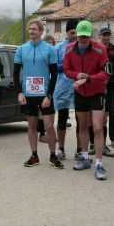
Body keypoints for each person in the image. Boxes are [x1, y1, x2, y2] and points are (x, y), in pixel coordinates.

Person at [64, 20, 110, 180]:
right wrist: (76, 75)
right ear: (76, 35)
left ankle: (99, 163)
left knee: (97, 127)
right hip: (80, 92)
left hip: (97, 92)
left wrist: (89, 78)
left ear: (90, 36)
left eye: (86, 36)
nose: (83, 40)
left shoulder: (100, 49)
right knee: (82, 126)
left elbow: (107, 73)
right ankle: (84, 157)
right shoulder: (69, 49)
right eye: (80, 36)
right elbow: (66, 69)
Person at [14, 21, 63, 169]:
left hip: (44, 94)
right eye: (29, 29)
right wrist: (19, 92)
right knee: (31, 126)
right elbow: (16, 73)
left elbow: (54, 74)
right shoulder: (21, 49)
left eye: (34, 29)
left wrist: (49, 95)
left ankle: (53, 155)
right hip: (28, 94)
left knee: (49, 126)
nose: (31, 31)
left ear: (41, 31)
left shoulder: (49, 50)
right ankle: (34, 155)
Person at [53, 19, 80, 160]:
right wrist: (66, 67)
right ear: (67, 32)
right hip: (63, 87)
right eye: (72, 33)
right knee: (62, 119)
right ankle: (61, 148)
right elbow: (54, 67)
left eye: (77, 33)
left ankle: (80, 150)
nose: (75, 36)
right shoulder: (58, 48)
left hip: (80, 87)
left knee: (81, 121)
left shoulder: (83, 46)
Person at [99, 27, 114, 150]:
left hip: (112, 85)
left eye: (108, 35)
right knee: (99, 114)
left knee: (112, 112)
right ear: (100, 36)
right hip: (99, 85)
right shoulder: (95, 49)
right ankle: (98, 141)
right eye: (104, 35)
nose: (106, 37)